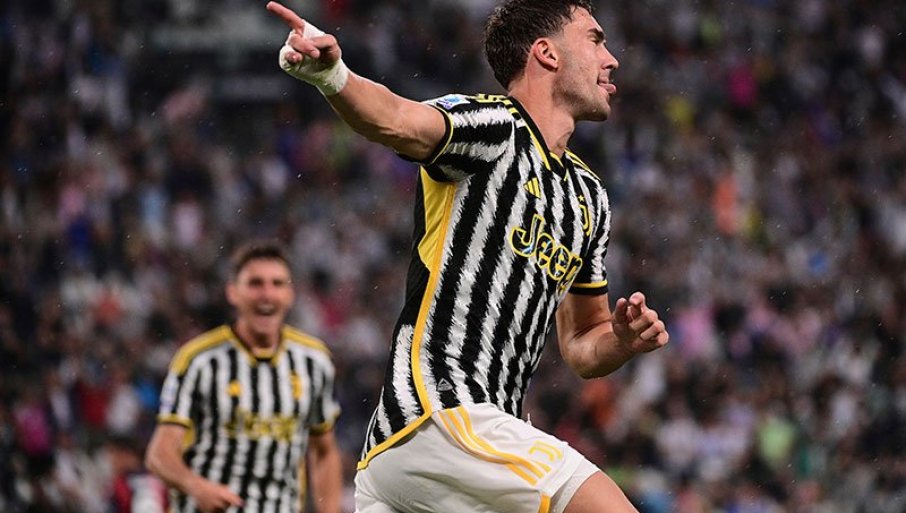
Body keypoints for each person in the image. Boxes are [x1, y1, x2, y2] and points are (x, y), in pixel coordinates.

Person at [267, 1, 669, 512]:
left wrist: (622, 341)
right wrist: (333, 76)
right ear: (546, 53)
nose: (611, 59)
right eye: (595, 39)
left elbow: (582, 343)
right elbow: (397, 119)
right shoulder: (495, 125)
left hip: (432, 458)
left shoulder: (589, 198)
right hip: (440, 412)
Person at [145, 241, 343, 513]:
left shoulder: (314, 362)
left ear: (290, 294)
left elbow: (324, 451)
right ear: (233, 292)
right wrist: (196, 486)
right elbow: (160, 454)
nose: (267, 294)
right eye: (255, 283)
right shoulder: (200, 360)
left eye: (277, 284)